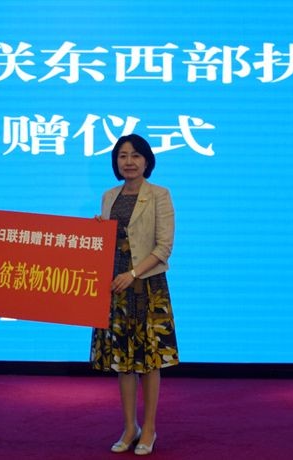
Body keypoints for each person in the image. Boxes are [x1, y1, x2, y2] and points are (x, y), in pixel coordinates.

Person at [91, 134, 179, 456]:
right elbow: (106, 242)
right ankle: (130, 427)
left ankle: (150, 428)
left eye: (135, 155)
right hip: (115, 288)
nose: (129, 162)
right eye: (122, 156)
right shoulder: (109, 196)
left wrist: (133, 274)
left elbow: (163, 247)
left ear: (147, 161)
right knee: (123, 361)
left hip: (146, 288)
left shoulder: (159, 195)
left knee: (149, 360)